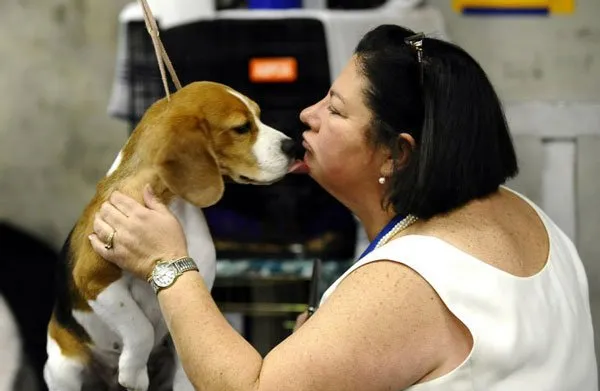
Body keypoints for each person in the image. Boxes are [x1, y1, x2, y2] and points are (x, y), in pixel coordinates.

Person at [89, 24, 598, 390]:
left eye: (334, 109)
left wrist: (169, 267)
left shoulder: (412, 281)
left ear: (397, 152)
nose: (307, 115)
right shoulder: (526, 214)